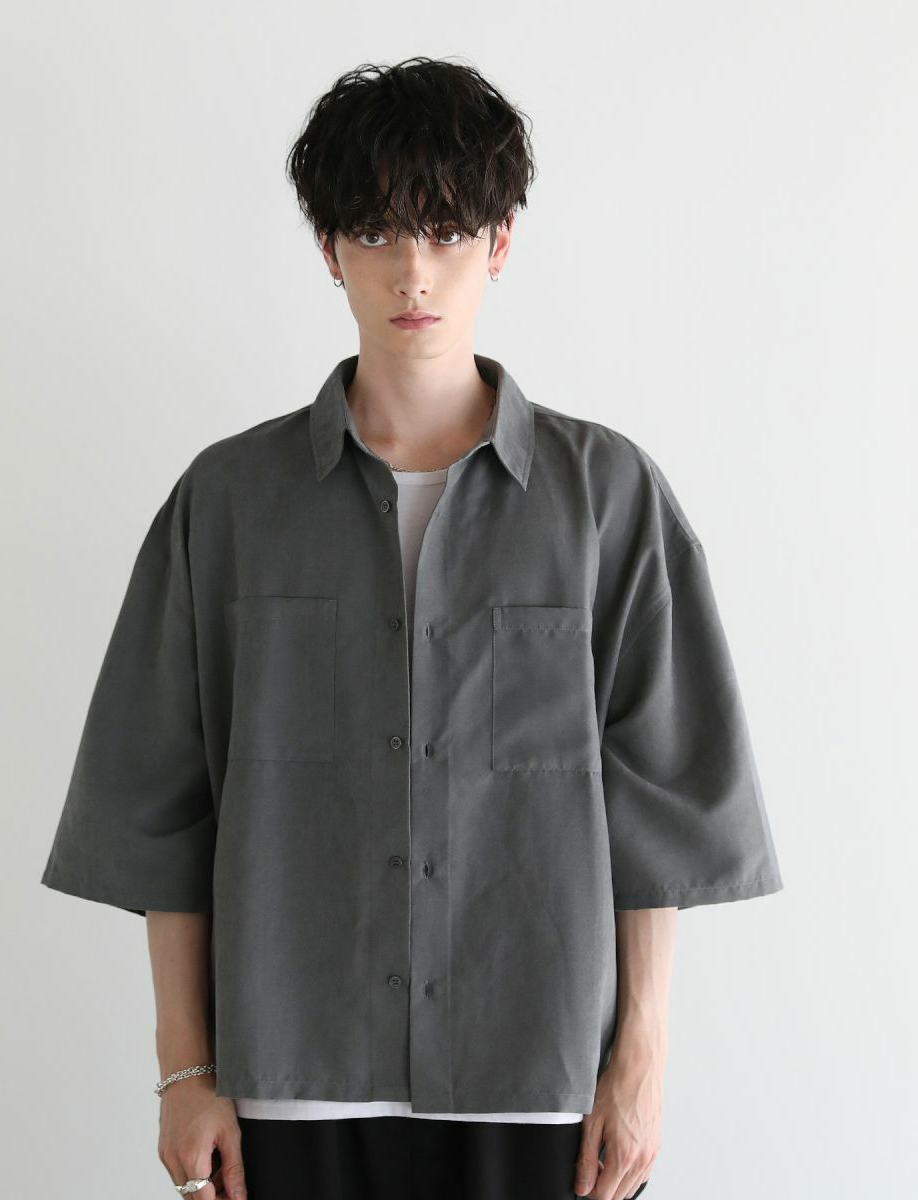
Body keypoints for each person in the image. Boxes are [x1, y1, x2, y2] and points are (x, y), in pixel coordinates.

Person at [40, 56, 783, 1200]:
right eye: (377, 233)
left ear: (501, 242)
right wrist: (183, 1070)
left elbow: (659, 808)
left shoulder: (606, 497)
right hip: (290, 1078)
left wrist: (637, 1064)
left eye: (445, 233)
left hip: (534, 1079)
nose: (413, 272)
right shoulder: (228, 503)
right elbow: (161, 807)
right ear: (329, 249)